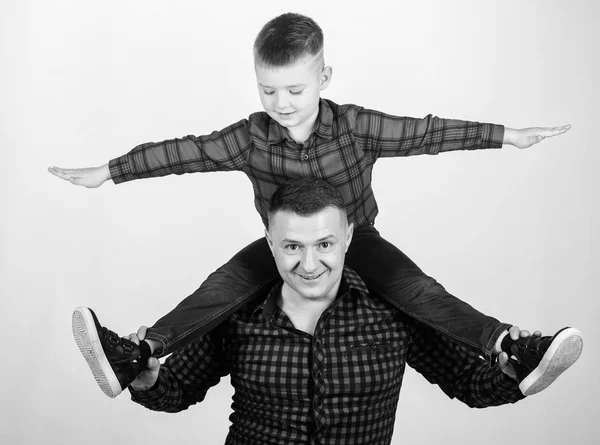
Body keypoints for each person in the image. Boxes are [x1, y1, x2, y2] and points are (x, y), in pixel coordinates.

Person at [53, 13, 581, 400]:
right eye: (268, 91)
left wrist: (507, 135)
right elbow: (183, 153)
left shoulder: (356, 127)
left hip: (357, 241)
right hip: (282, 247)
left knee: (421, 292)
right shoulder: (249, 138)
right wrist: (109, 171)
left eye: (295, 90)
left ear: (323, 80)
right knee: (219, 288)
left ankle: (513, 346)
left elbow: (428, 133)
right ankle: (136, 353)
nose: (281, 104)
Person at [112, 178, 570, 444]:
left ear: (350, 238)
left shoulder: (393, 311)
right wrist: (149, 378)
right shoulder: (239, 313)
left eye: (325, 244)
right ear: (269, 244)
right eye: (292, 246)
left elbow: (469, 382)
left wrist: (513, 374)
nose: (309, 265)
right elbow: (176, 392)